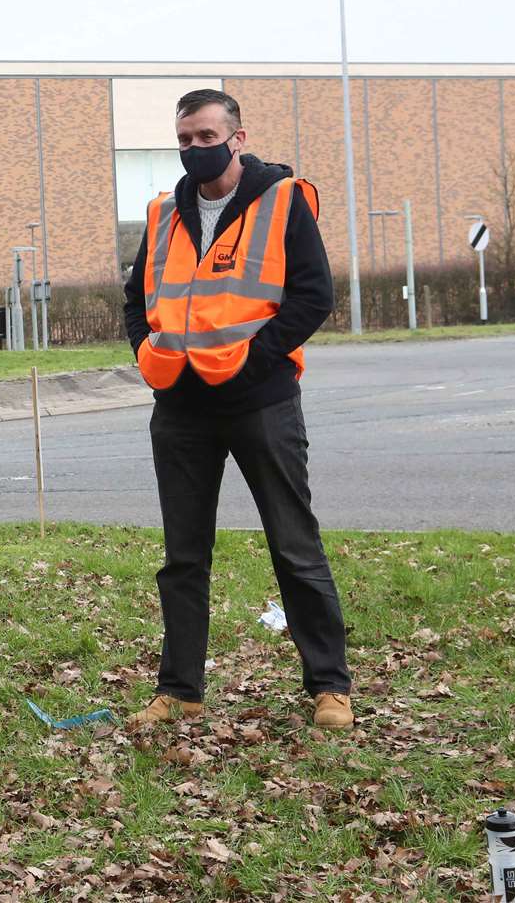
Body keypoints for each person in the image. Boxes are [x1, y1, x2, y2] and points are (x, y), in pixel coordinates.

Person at [123, 89, 351, 730]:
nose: (195, 148)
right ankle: (180, 690)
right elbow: (136, 295)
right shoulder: (165, 212)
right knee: (183, 556)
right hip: (182, 404)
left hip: (260, 401)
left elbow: (314, 295)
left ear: (237, 138)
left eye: (206, 136)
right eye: (185, 139)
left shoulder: (283, 200)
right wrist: (146, 351)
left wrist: (256, 360)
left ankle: (329, 687)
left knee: (294, 545)